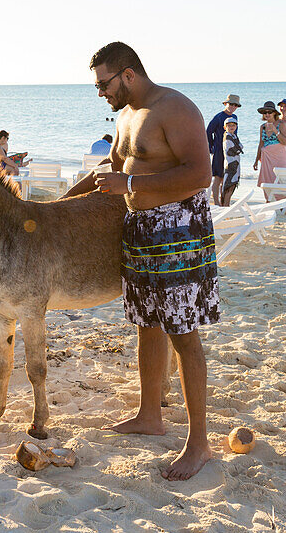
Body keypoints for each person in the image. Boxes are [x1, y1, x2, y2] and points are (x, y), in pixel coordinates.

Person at [64, 41, 219, 481]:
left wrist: (129, 180)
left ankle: (199, 443)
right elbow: (107, 175)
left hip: (179, 231)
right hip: (139, 231)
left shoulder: (175, 108)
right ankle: (150, 414)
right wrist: (58, 204)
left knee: (182, 335)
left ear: (128, 74)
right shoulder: (125, 116)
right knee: (146, 323)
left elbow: (199, 174)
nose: (101, 93)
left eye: (104, 84)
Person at [206, 94, 241, 206]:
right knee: (218, 177)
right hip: (219, 152)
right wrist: (211, 147)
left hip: (230, 153)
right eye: (231, 104)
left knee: (227, 177)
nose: (233, 106)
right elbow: (208, 131)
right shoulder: (219, 117)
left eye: (235, 105)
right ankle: (216, 203)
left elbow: (234, 134)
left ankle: (224, 202)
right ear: (226, 104)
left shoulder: (235, 118)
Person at [253, 101, 286, 197]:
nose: (267, 114)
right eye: (265, 112)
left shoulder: (281, 124)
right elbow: (261, 144)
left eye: (269, 112)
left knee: (281, 181)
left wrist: (275, 131)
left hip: (280, 158)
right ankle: (269, 202)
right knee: (267, 181)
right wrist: (256, 160)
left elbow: (285, 142)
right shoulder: (263, 127)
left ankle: (283, 206)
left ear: (274, 113)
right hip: (267, 160)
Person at [220, 116, 243, 206]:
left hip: (235, 164)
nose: (231, 127)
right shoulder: (228, 137)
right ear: (225, 127)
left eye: (233, 125)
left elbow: (240, 147)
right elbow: (237, 149)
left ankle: (226, 204)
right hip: (230, 165)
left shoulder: (233, 136)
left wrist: (239, 148)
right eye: (229, 125)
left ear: (236, 127)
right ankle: (225, 205)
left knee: (232, 185)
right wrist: (238, 148)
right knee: (229, 185)